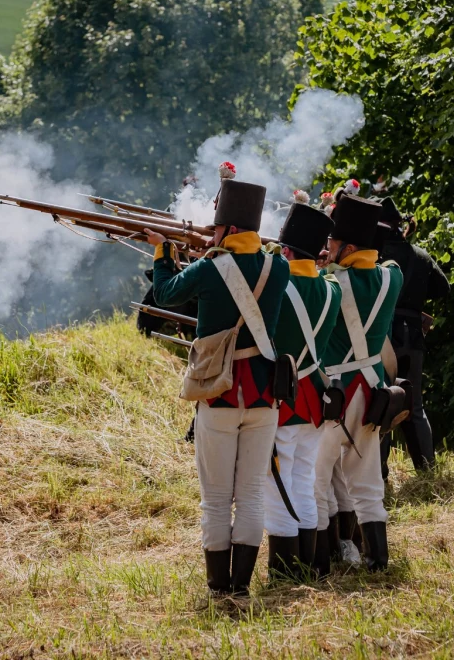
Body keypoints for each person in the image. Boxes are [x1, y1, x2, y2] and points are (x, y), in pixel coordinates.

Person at [145, 178, 290, 598]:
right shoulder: (277, 266)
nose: (211, 234)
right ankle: (241, 589)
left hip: (219, 393)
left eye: (215, 228)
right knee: (250, 495)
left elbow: (165, 293)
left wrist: (164, 252)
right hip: (265, 397)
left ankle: (218, 589)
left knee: (215, 500)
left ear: (226, 228)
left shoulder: (211, 265)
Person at [312, 194, 403, 573]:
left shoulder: (329, 283)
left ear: (348, 247)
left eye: (332, 242)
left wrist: (317, 267)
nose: (326, 248)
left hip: (334, 394)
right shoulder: (391, 277)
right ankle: (377, 561)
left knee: (314, 480)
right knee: (367, 482)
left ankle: (317, 563)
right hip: (373, 393)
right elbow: (387, 265)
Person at [262, 200, 341, 579]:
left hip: (282, 397)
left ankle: (284, 570)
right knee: (304, 481)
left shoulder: (277, 284)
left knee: (277, 484)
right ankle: (313, 562)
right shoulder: (332, 290)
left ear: (287, 250)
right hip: (314, 397)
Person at [376, 198, 450, 473]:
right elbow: (443, 289)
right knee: (414, 406)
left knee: (382, 402)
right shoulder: (420, 255)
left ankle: (378, 472)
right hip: (414, 336)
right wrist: (415, 301)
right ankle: (427, 469)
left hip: (386, 336)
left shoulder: (378, 255)